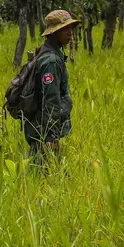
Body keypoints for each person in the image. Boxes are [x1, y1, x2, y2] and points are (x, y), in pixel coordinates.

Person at [23, 9, 79, 164]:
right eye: (64, 29)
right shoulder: (51, 61)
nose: (70, 33)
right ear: (54, 32)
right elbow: (51, 99)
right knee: (41, 174)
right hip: (42, 130)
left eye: (70, 28)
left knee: (48, 175)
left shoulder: (49, 53)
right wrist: (50, 135)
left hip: (41, 126)